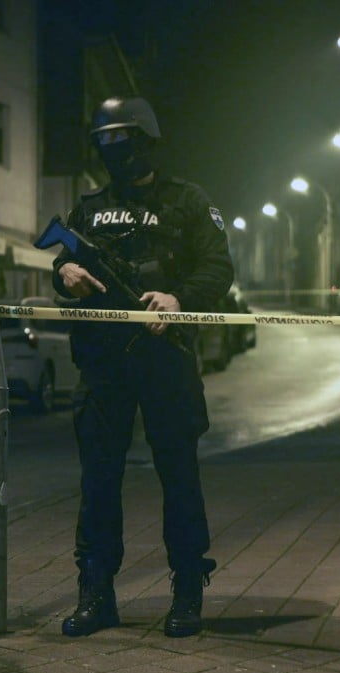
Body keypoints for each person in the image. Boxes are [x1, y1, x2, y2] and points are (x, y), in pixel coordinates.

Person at [52, 96, 234, 639]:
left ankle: (186, 588)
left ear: (146, 141)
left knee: (179, 478)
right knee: (99, 482)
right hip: (105, 364)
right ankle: (96, 591)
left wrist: (179, 298)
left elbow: (218, 267)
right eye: (105, 142)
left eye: (122, 140)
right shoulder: (87, 209)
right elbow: (61, 264)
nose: (114, 151)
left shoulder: (188, 201)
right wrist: (66, 274)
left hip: (164, 359)